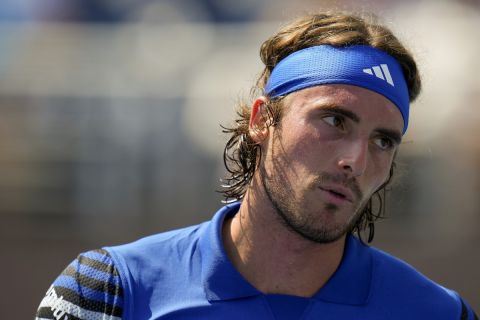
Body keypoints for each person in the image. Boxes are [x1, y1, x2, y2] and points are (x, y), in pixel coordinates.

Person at [35, 12, 478, 320]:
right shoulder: (107, 291)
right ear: (262, 120)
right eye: (335, 120)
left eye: (383, 141)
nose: (355, 160)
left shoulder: (437, 313)